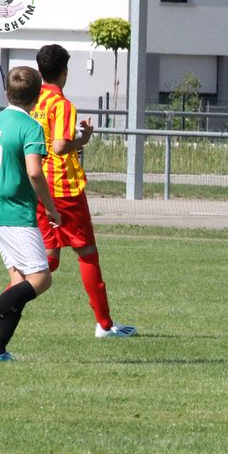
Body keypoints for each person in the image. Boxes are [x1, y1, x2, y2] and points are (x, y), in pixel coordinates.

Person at [31, 44, 136, 338]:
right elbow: (60, 146)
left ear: (40, 70)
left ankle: (2, 302)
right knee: (87, 253)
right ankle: (105, 325)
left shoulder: (34, 101)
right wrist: (84, 139)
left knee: (49, 257)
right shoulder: (62, 104)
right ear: (64, 72)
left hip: (38, 185)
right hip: (63, 187)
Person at [0, 66, 62, 361]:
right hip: (15, 211)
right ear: (38, 95)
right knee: (41, 279)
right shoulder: (31, 127)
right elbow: (34, 172)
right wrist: (51, 208)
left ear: (7, 92)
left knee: (19, 281)